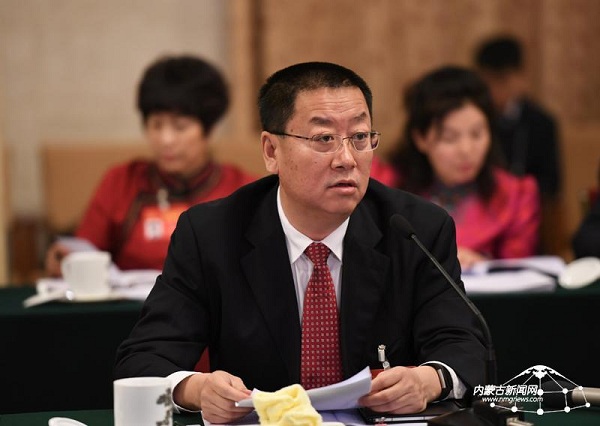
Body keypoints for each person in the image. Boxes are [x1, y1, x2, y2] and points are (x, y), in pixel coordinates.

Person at [114, 62, 486, 423]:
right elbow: (144, 359)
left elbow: (465, 346)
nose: (346, 159)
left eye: (359, 137)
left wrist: (429, 380)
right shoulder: (211, 234)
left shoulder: (416, 229)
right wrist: (196, 389)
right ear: (271, 151)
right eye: (324, 139)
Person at [44, 55, 257, 274]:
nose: (166, 140)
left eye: (180, 127)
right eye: (156, 125)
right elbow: (83, 254)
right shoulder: (121, 183)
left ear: (210, 130)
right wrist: (67, 260)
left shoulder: (245, 191)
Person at [384, 66, 540, 270]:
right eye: (450, 138)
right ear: (420, 139)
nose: (466, 150)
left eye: (477, 134)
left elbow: (519, 273)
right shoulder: (385, 189)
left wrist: (483, 264)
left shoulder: (516, 194)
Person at [474, 35, 561, 200]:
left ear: (519, 77)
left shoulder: (541, 122)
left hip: (525, 203)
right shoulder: (475, 119)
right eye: (487, 80)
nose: (493, 88)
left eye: (501, 79)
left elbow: (551, 184)